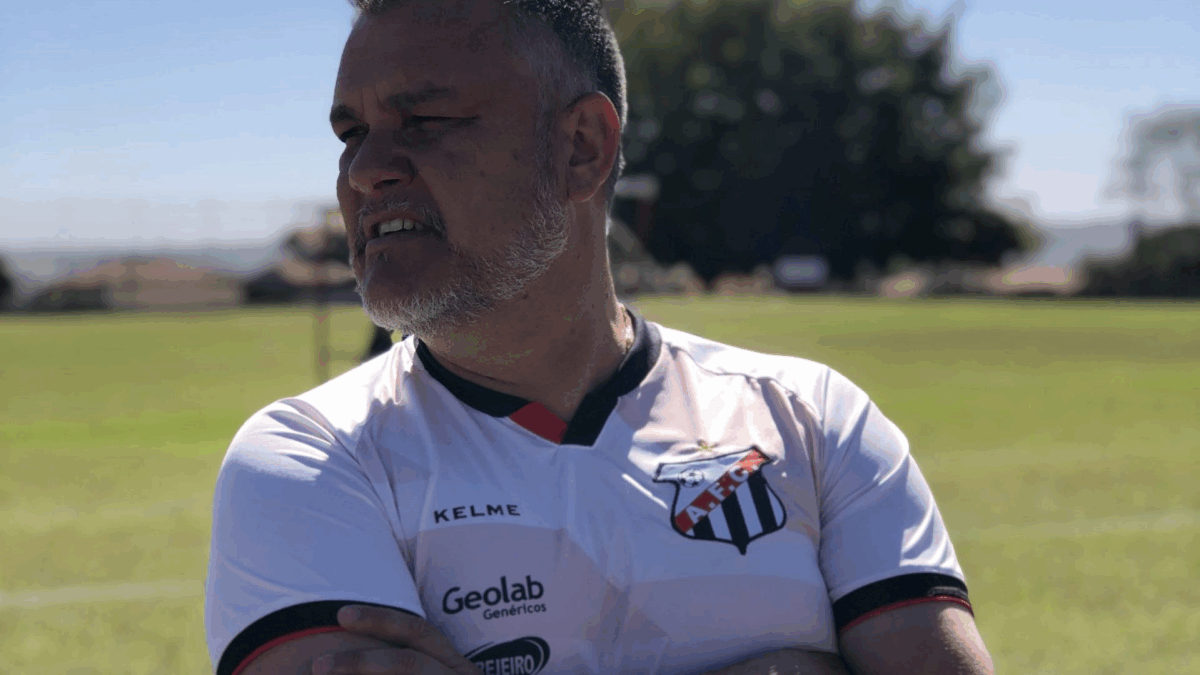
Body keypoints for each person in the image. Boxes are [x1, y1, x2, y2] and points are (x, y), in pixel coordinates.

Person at [204, 1, 995, 674]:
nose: (365, 170)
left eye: (425, 120)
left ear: (583, 147)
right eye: (351, 133)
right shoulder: (309, 456)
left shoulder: (811, 416)